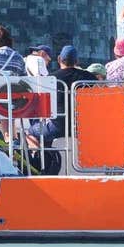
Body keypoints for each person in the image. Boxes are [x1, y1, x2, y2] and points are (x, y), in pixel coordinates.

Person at [26, 44, 95, 175]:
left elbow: (42, 107)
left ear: (59, 59)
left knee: (30, 132)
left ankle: (44, 161)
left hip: (57, 127)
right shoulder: (90, 78)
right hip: (83, 127)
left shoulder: (51, 79)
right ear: (77, 61)